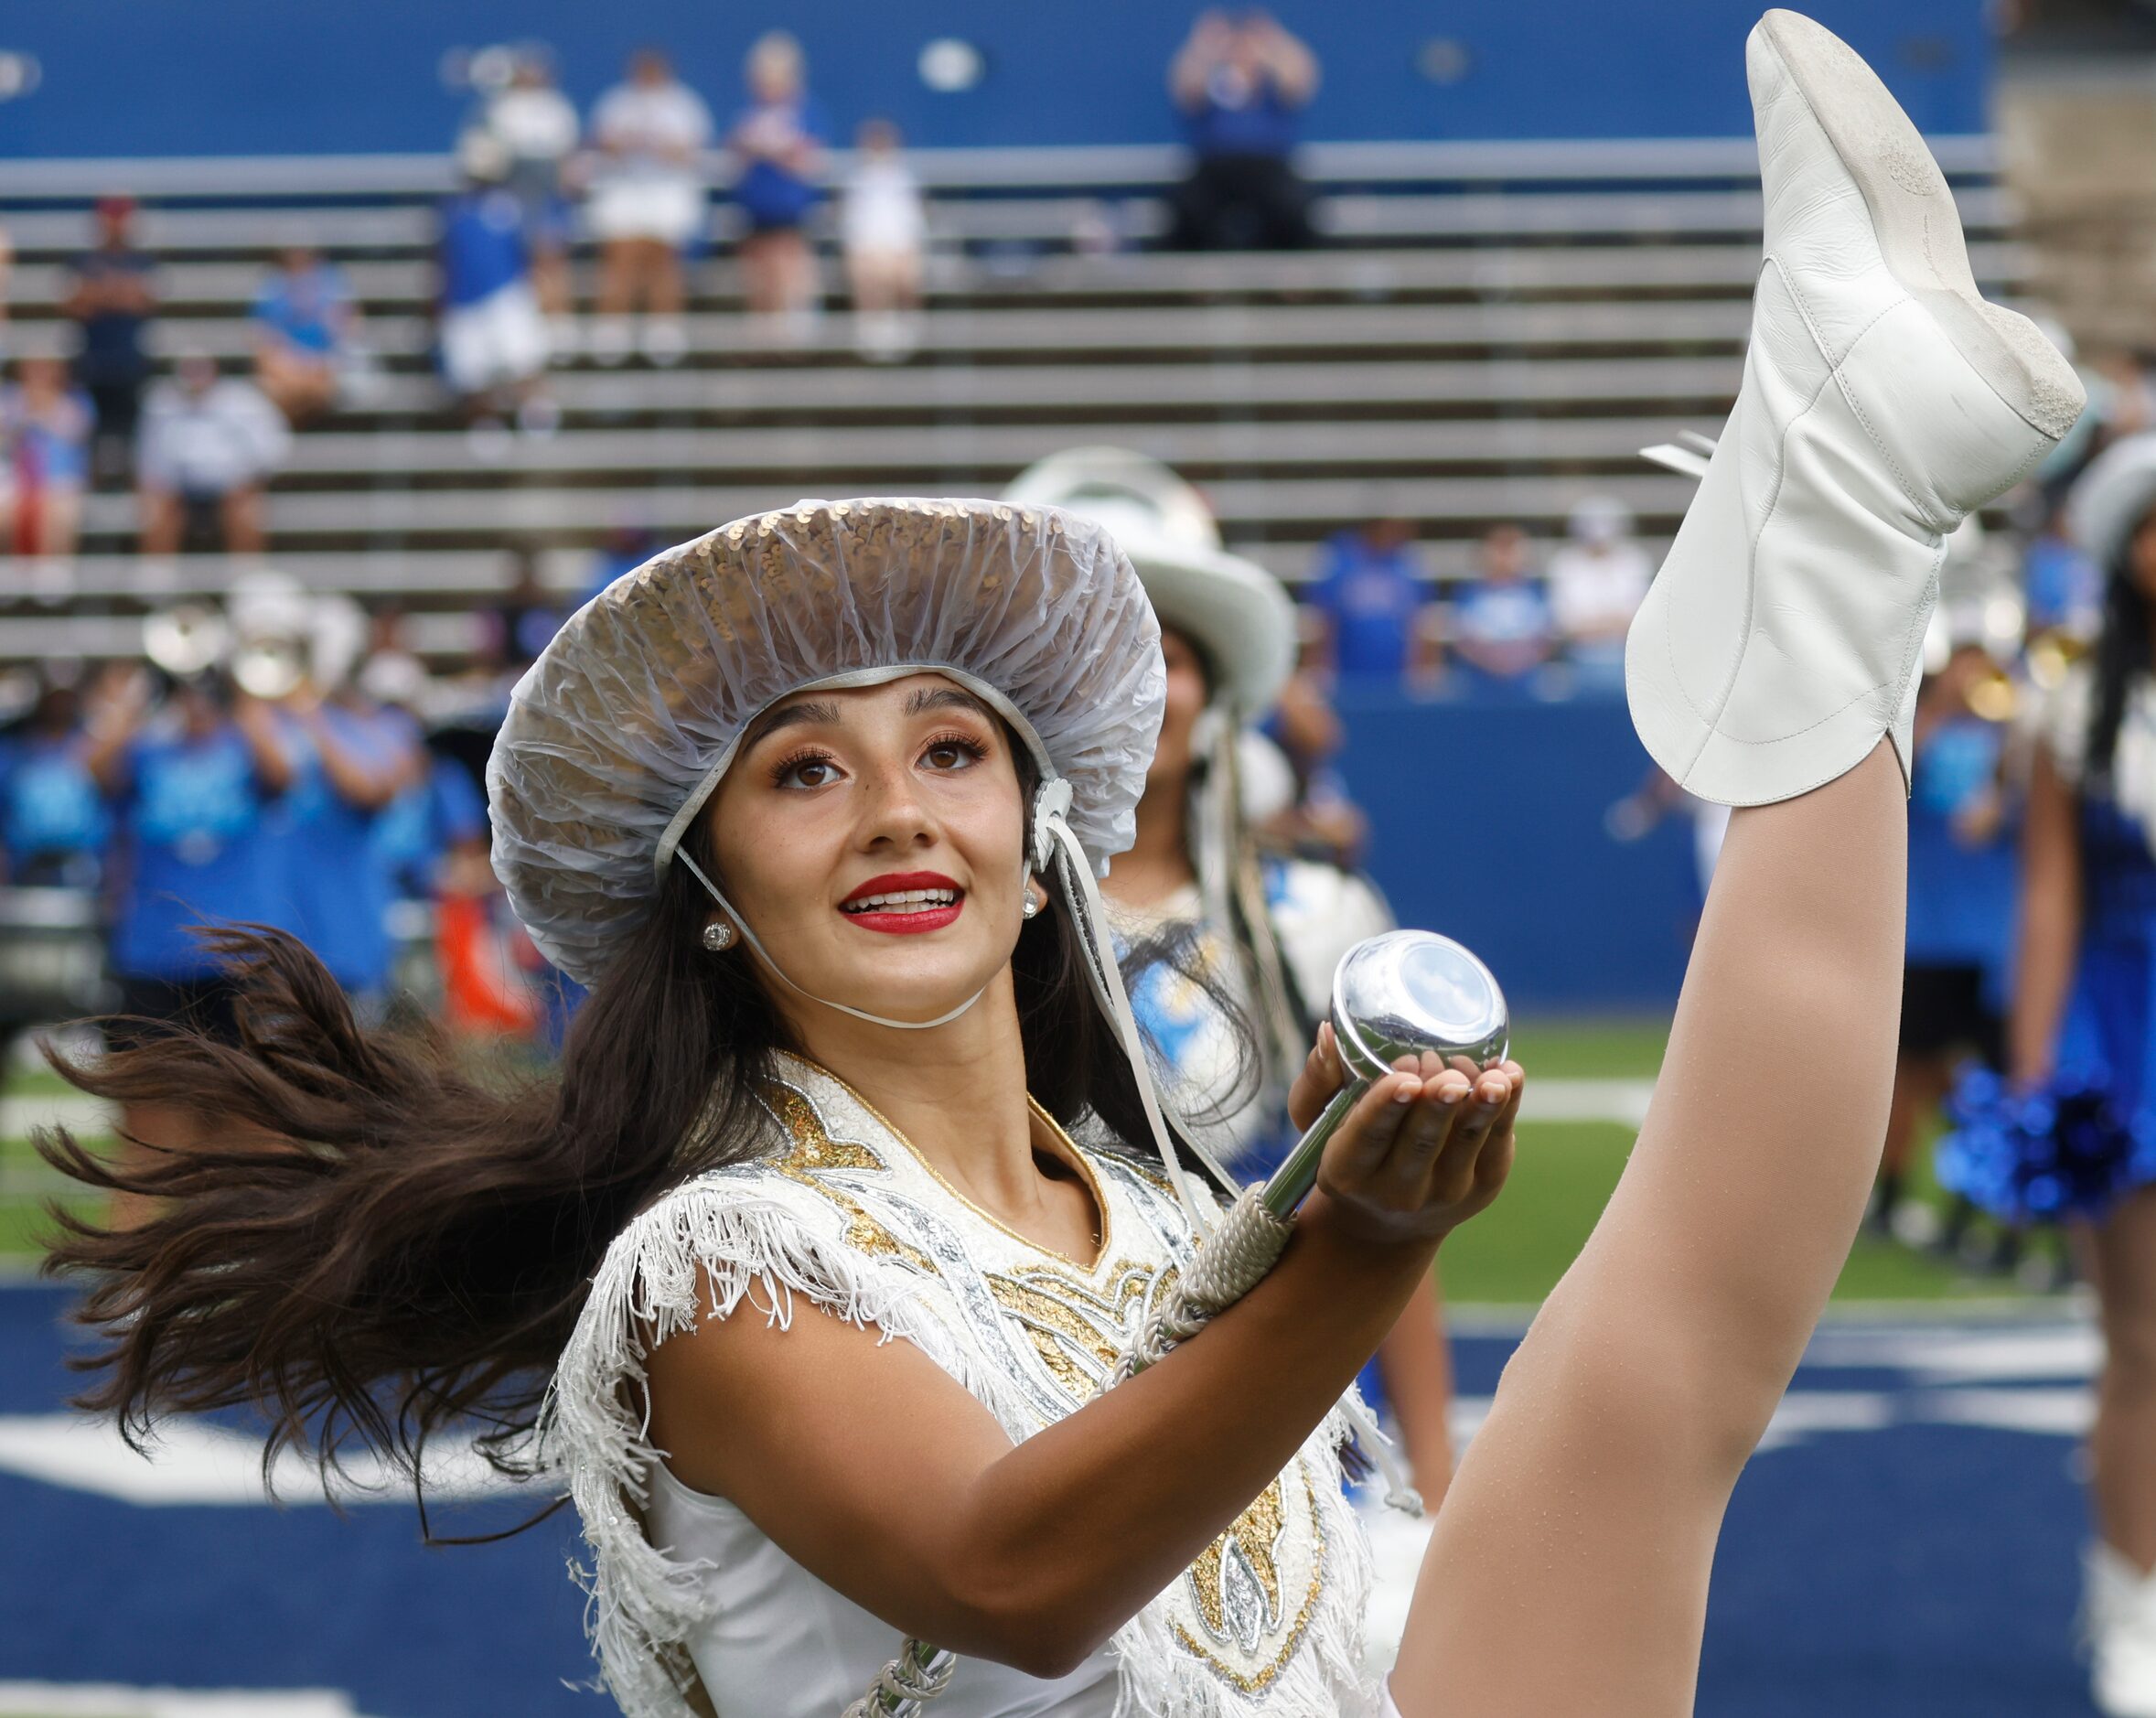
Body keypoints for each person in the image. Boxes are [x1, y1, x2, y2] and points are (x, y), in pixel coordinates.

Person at [37, 17, 2084, 1717]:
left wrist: (1342, 1315)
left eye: (951, 751)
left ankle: (1827, 524)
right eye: (802, 776)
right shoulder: (713, 1268)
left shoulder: (1146, 1216)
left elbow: (1528, 1459)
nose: (901, 807)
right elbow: (1011, 1573)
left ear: (1042, 855)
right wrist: (1343, 1255)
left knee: (1651, 1374)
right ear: (709, 894)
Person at [1005, 447, 1461, 1509]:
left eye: (1164, 656)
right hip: (1037, 1439)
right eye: (1091, 656)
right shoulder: (961, 935)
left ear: (1214, 691)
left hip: (1291, 1449)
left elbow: (1389, 1224)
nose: (1135, 690)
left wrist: (1432, 1481)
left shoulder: (1316, 921)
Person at [1936, 430, 2156, 1715]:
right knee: (2140, 1342)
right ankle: (2130, 1603)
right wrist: (2032, 1073)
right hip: (2126, 1026)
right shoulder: (2081, 701)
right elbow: (2050, 894)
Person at [80, 648, 293, 1228]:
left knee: (254, 1119)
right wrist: (135, 696)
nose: (195, 703)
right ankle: (137, 1279)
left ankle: (247, 1255)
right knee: (148, 1127)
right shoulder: (145, 751)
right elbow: (94, 769)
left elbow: (282, 772)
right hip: (152, 959)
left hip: (238, 962)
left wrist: (239, 687)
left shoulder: (243, 746)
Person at [587, 48, 712, 368]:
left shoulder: (684, 105)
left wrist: (657, 146)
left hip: (667, 197)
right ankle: (612, 329)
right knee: (621, 256)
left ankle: (664, 328)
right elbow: (604, 143)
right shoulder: (617, 103)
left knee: (663, 258)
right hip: (625, 195)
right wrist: (630, 143)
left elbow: (690, 152)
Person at [436, 133, 556, 450]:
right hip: (464, 304)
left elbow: (535, 254)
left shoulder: (511, 208)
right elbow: (444, 264)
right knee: (471, 375)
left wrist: (541, 291)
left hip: (506, 297)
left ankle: (537, 421)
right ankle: (486, 429)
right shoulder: (452, 212)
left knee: (523, 361)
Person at [1165, 10, 1320, 252]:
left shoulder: (1273, 82)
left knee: (1295, 207)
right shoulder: (1209, 80)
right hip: (1215, 170)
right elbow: (1184, 88)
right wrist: (1204, 46)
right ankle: (1198, 284)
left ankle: (1291, 284)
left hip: (1268, 168)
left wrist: (1273, 40)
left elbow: (1301, 79)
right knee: (1187, 208)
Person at [477, 47, 581, 353]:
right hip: (512, 190)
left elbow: (566, 156)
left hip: (547, 191)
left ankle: (557, 321)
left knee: (550, 254)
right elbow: (492, 159)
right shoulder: (500, 108)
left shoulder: (557, 107)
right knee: (517, 259)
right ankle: (526, 323)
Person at [135, 354, 290, 556]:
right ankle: (157, 576)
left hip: (233, 485)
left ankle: (246, 573)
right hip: (177, 487)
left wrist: (246, 478)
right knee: (154, 505)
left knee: (247, 506)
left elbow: (271, 446)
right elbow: (149, 455)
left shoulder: (244, 400)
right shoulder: (160, 402)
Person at [728, 32, 828, 340]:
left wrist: (775, 150)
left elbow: (811, 160)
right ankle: (763, 337)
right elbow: (737, 156)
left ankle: (794, 334)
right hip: (756, 207)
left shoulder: (807, 111)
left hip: (790, 209)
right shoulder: (749, 114)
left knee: (789, 263)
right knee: (759, 271)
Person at [64, 195, 156, 487]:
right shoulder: (81, 260)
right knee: (88, 432)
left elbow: (143, 301)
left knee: (134, 434)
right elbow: (75, 304)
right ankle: (86, 486)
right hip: (92, 362)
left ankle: (135, 486)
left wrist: (101, 292)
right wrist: (118, 292)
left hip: (130, 362)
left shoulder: (142, 261)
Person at [0, 673, 106, 889]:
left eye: (66, 697)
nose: (59, 705)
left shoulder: (93, 746)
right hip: (24, 859)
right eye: (54, 697)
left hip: (82, 860)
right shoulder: (15, 748)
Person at [1302, 519, 1436, 687]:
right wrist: (1319, 667)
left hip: (1397, 677)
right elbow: (1323, 620)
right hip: (1348, 675)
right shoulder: (1340, 561)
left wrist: (1422, 668)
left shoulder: (1407, 564)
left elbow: (1421, 622)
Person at [1546, 496, 1653, 692]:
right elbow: (1565, 625)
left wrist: (1593, 624)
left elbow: (1639, 620)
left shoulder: (1635, 561)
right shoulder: (1564, 563)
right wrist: (1611, 623)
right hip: (1577, 657)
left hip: (1627, 657)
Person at [840, 119, 926, 361]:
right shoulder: (856, 182)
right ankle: (873, 331)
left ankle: (903, 330)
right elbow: (851, 229)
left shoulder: (905, 181)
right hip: (868, 252)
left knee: (902, 269)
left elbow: (915, 228)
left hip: (898, 252)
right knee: (868, 268)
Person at [1, 352, 94, 561]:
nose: (39, 374)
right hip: (13, 481)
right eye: (33, 367)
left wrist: (42, 407)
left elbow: (75, 431)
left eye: (45, 367)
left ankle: (51, 580)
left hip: (59, 481)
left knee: (59, 510)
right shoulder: (8, 398)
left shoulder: (76, 399)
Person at [251, 246, 357, 427]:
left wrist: (316, 364)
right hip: (288, 368)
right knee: (272, 385)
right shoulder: (270, 287)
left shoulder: (333, 283)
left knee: (320, 383)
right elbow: (260, 335)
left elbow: (349, 328)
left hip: (324, 364)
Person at [1446, 523, 1555, 690]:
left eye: (1511, 548)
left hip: (1526, 683)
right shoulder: (1468, 593)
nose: (1504, 556)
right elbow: (1462, 640)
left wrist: (1516, 662)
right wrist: (1494, 662)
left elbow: (1546, 640)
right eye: (1499, 548)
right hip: (1479, 682)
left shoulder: (1536, 592)